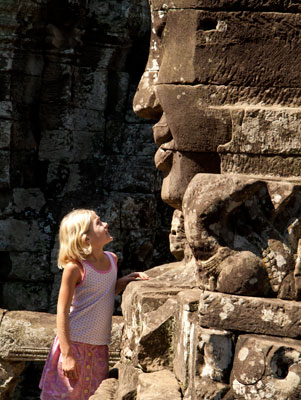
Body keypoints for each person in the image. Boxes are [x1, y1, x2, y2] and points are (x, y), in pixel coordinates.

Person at [39, 208, 149, 399]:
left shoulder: (112, 259)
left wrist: (125, 281)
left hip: (99, 347)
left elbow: (103, 294)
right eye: (98, 223)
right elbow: (62, 312)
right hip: (74, 345)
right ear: (85, 239)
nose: (106, 224)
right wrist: (67, 355)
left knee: (94, 395)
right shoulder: (75, 268)